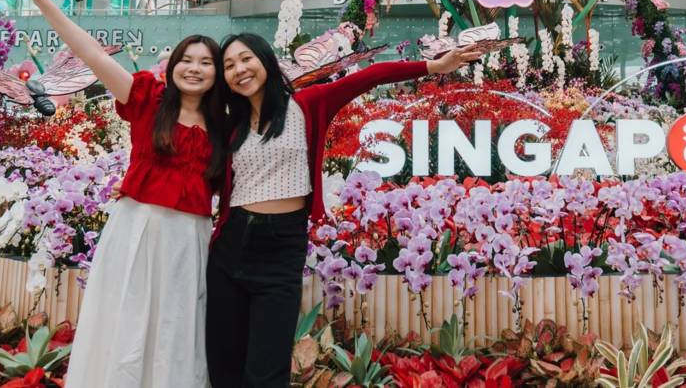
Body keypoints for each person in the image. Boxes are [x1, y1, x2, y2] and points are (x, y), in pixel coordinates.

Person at [205, 33, 481, 387]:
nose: (239, 70)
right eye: (229, 65)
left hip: (280, 248)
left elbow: (372, 75)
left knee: (267, 368)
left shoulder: (306, 104)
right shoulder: (232, 126)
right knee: (223, 361)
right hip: (230, 245)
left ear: (265, 61)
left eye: (246, 59)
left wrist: (435, 66)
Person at [21, 0, 224, 388]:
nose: (195, 68)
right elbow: (90, 52)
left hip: (189, 240)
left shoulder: (225, 124)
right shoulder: (147, 99)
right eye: (187, 59)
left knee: (176, 327)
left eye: (206, 62)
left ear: (217, 73)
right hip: (138, 230)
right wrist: (43, 2)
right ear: (173, 66)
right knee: (127, 323)